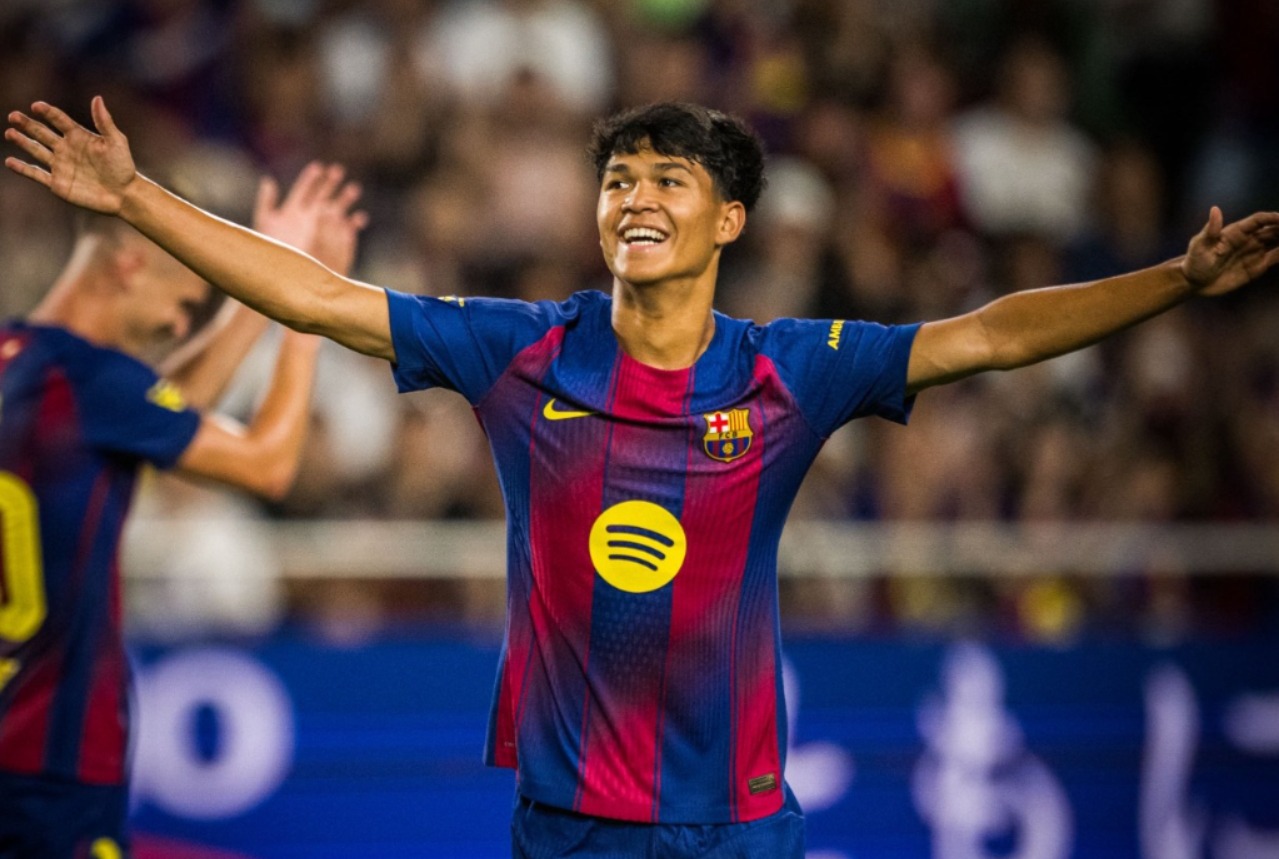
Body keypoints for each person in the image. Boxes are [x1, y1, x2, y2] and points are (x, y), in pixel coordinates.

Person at [6, 97, 1279, 858]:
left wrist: (1173, 281)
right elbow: (321, 296)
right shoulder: (522, 354)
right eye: (618, 179)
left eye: (670, 179)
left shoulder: (791, 370)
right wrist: (137, 198)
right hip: (564, 822)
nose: (635, 197)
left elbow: (990, 334)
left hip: (734, 821)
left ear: (729, 220)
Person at [0, 150, 365, 859]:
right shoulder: (91, 382)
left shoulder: (22, 361)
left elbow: (156, 414)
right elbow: (267, 463)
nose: (178, 322)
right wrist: (302, 308)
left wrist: (264, 281)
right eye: (187, 298)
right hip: (56, 765)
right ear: (131, 264)